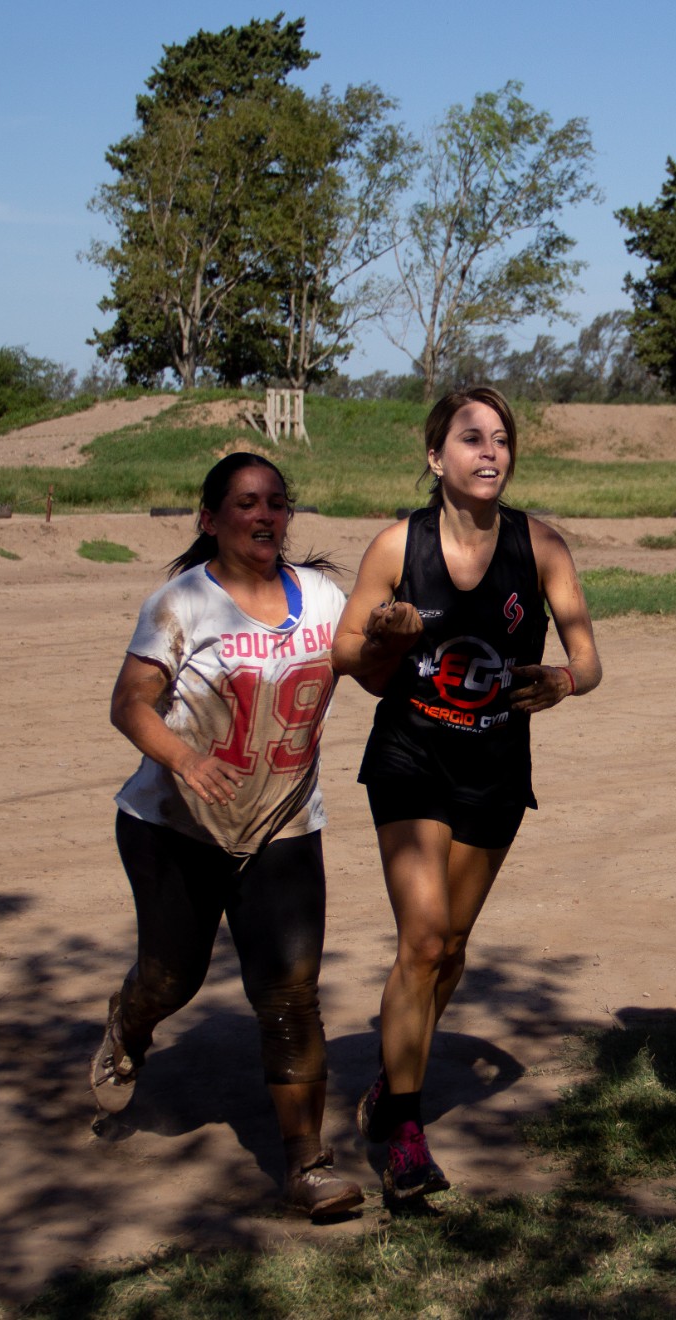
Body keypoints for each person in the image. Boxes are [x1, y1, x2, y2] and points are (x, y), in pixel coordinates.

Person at [331, 386, 601, 1206]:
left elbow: (587, 658)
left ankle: (389, 1082)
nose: (490, 452)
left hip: (493, 769)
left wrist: (561, 678)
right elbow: (345, 650)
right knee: (421, 940)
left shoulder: (543, 547)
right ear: (434, 457)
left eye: (502, 439)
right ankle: (406, 1133)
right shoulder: (396, 545)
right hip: (410, 757)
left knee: (449, 950)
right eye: (471, 438)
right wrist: (382, 633)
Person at [89, 451, 364, 1221]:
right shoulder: (182, 603)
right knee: (172, 978)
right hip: (173, 826)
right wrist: (184, 756)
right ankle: (131, 1019)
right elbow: (129, 703)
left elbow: (368, 668)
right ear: (210, 519)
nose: (265, 516)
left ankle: (308, 1165)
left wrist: (395, 637)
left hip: (283, 827)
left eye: (277, 502)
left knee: (290, 995)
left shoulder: (321, 597)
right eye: (246, 503)